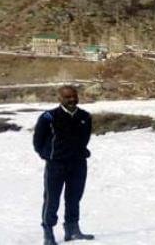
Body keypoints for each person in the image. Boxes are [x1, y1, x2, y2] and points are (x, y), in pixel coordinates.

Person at [33, 86, 95, 245]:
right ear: (60, 98)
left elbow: (85, 138)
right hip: (56, 165)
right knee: (51, 199)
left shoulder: (85, 116)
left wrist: (79, 152)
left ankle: (72, 229)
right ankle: (48, 231)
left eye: (74, 96)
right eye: (67, 97)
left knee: (74, 198)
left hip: (78, 164)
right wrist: (49, 155)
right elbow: (38, 141)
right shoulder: (48, 117)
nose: (72, 100)